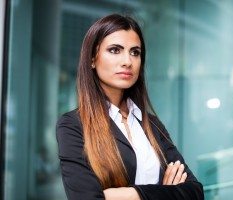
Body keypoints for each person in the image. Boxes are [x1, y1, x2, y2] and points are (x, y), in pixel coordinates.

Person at [56, 14, 204, 200]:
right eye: (115, 50)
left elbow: (195, 192)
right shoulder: (73, 125)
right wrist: (166, 193)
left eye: (135, 52)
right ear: (92, 59)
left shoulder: (151, 124)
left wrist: (127, 195)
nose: (127, 61)